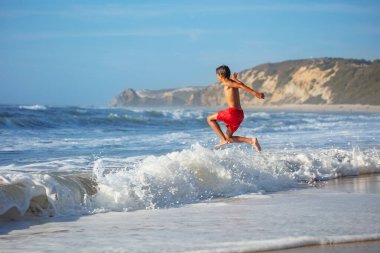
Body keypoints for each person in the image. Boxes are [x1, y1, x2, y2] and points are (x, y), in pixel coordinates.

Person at [207, 65, 265, 152]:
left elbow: (241, 86)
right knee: (228, 138)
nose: (217, 77)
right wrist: (235, 79)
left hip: (232, 112)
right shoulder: (231, 82)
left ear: (221, 75)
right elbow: (240, 84)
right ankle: (251, 141)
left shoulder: (227, 82)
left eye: (217, 75)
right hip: (239, 114)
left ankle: (223, 140)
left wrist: (255, 93)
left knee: (209, 119)